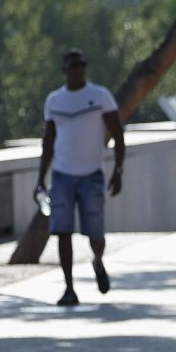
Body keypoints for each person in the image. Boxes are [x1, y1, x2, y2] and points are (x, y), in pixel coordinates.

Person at [37, 48, 125, 307]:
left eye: (82, 64)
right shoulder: (54, 101)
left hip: (91, 175)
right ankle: (69, 288)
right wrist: (41, 178)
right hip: (62, 175)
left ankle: (97, 261)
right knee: (62, 231)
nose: (78, 69)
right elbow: (48, 141)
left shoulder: (100, 96)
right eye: (73, 65)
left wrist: (118, 170)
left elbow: (118, 135)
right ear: (65, 69)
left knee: (95, 233)